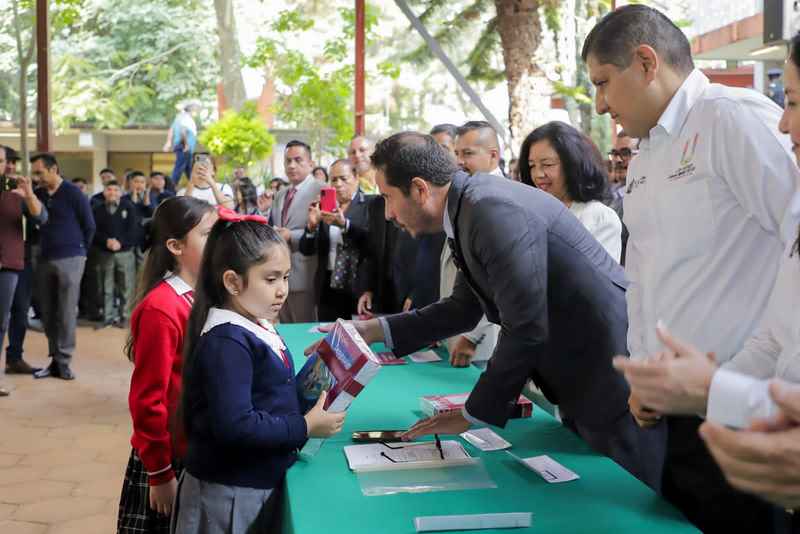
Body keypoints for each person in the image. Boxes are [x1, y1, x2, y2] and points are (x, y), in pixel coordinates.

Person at [330, 132, 660, 489]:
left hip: (607, 371)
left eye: (389, 198)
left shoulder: (489, 210)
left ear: (420, 189)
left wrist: (471, 414)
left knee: (624, 492)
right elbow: (462, 308)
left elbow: (526, 326)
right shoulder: (467, 207)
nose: (390, 214)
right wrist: (372, 331)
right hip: (579, 369)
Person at [582, 5, 799, 530]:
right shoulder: (647, 152)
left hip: (753, 411)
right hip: (677, 410)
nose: (602, 103)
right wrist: (645, 370)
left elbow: (792, 244)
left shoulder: (733, 119)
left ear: (646, 62)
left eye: (604, 83)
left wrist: (726, 384)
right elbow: (647, 277)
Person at [175, 212, 346, 534]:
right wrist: (305, 425)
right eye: (270, 279)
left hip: (253, 481)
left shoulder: (255, 323)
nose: (282, 290)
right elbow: (235, 425)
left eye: (285, 277)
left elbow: (269, 392)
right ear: (232, 282)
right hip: (231, 490)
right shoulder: (226, 341)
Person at [117, 196, 216, 534]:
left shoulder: (202, 293)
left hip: (194, 446)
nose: (218, 242)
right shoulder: (162, 307)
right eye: (208, 234)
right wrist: (159, 474)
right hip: (167, 457)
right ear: (175, 245)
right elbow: (147, 400)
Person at [519, 121, 623, 262]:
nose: (538, 174)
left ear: (573, 164)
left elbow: (598, 280)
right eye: (532, 166)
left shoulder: (599, 217)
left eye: (547, 165)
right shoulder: (529, 213)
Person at [32, 153, 96, 380]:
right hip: (44, 259)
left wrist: (82, 254)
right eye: (34, 172)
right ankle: (54, 360)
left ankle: (64, 361)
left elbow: (89, 225)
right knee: (48, 312)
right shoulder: (37, 194)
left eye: (39, 172)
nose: (36, 177)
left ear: (54, 169)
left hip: (71, 259)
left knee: (67, 312)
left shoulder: (73, 193)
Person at [299, 159, 372, 321]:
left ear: (356, 178)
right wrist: (311, 227)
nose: (338, 184)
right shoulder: (324, 207)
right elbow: (306, 250)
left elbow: (371, 243)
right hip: (327, 285)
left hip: (357, 286)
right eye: (333, 179)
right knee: (328, 334)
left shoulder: (370, 204)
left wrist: (345, 225)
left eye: (343, 179)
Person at [0, 146, 46, 397]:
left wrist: (28, 195)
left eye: (7, 162)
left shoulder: (17, 192)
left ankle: (14, 358)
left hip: (15, 262)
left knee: (17, 314)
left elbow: (41, 218)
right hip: (9, 262)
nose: (8, 167)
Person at [273, 140, 324, 323]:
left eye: (297, 160)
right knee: (286, 329)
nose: (291, 165)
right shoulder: (281, 194)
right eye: (287, 161)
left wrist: (290, 235)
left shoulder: (321, 189)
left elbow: (325, 230)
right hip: (280, 273)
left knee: (305, 328)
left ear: (310, 163)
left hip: (306, 270)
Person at [92, 180, 138, 329]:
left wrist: (120, 242)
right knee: (105, 286)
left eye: (115, 190)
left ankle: (125, 317)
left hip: (124, 253)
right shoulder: (97, 209)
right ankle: (108, 317)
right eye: (109, 189)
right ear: (104, 192)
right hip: (105, 253)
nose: (112, 192)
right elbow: (93, 230)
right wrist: (106, 241)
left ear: (121, 192)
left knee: (126, 286)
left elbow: (133, 230)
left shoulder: (129, 207)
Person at [164, 100, 200, 187]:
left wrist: (168, 142)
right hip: (184, 146)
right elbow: (183, 131)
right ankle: (171, 187)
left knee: (188, 169)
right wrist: (186, 144)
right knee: (179, 168)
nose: (197, 110)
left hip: (184, 147)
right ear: (191, 108)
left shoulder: (180, 117)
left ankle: (195, 186)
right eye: (195, 108)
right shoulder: (186, 118)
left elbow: (171, 130)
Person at [123, 171, 154, 273]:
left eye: (142, 182)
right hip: (128, 243)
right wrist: (133, 202)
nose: (139, 184)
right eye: (136, 181)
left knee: (142, 272)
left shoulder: (149, 199)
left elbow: (153, 216)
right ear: (130, 183)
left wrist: (147, 203)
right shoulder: (123, 199)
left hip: (143, 242)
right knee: (128, 273)